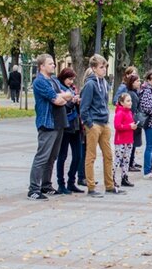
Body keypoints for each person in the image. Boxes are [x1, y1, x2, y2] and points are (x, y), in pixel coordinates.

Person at [27, 54, 71, 200]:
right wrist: (63, 97)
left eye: (53, 63)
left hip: (58, 122)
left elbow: (65, 95)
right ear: (42, 66)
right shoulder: (40, 81)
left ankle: (46, 184)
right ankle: (34, 188)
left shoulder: (53, 80)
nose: (53, 65)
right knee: (42, 156)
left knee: (52, 156)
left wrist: (63, 97)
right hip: (47, 122)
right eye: (50, 63)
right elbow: (58, 99)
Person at [80, 54, 124, 196]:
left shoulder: (104, 83)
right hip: (94, 124)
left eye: (105, 66)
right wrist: (89, 124)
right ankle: (91, 187)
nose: (104, 69)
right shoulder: (90, 84)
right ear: (93, 68)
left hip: (104, 123)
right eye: (101, 67)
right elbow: (84, 107)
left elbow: (104, 103)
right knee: (91, 156)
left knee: (108, 155)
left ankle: (109, 185)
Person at [56, 68, 84, 194]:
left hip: (76, 125)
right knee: (62, 156)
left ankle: (71, 181)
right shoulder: (59, 89)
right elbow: (63, 105)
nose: (71, 82)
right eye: (69, 79)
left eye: (72, 79)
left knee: (78, 155)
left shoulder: (72, 89)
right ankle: (61, 184)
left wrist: (77, 101)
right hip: (66, 125)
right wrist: (72, 101)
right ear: (63, 78)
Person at [113, 93, 137, 187]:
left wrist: (133, 126)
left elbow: (129, 124)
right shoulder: (120, 113)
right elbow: (117, 126)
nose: (130, 102)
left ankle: (124, 177)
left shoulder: (129, 112)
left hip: (129, 139)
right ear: (121, 103)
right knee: (118, 160)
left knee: (126, 159)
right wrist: (129, 126)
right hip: (121, 140)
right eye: (128, 101)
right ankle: (112, 178)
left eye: (130, 100)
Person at [126, 74, 143, 172]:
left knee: (133, 143)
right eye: (137, 81)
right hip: (133, 121)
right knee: (132, 143)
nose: (139, 83)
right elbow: (132, 110)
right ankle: (130, 163)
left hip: (135, 120)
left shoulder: (135, 92)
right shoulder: (131, 94)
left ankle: (131, 162)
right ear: (132, 83)